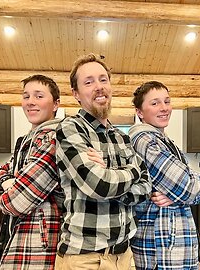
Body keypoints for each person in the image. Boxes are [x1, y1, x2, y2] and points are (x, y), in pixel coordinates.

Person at [54, 53, 152, 270]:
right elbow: (100, 185)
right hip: (84, 259)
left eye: (103, 79)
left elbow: (146, 188)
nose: (98, 86)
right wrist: (133, 169)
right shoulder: (70, 128)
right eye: (88, 82)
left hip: (124, 256)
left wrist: (110, 175)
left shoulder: (121, 136)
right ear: (76, 94)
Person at [0, 74, 64, 270]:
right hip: (18, 238)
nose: (30, 102)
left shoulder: (54, 139)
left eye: (39, 96)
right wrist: (5, 181)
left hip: (40, 244)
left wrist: (5, 191)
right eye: (26, 96)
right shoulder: (25, 141)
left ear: (55, 104)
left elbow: (16, 202)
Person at [128, 81, 200, 270]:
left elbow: (193, 191)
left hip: (172, 245)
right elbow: (188, 187)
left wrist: (179, 195)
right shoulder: (145, 140)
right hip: (160, 249)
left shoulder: (165, 141)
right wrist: (190, 188)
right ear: (140, 112)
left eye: (167, 101)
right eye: (155, 103)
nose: (164, 108)